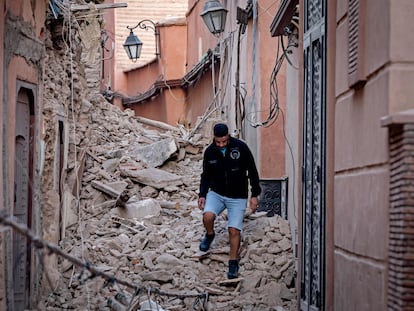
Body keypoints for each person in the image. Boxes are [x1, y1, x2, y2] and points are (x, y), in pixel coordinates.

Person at [198, 123, 261, 279]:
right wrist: (202, 194)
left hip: (238, 196)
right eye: (218, 142)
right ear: (214, 138)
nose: (221, 145)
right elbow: (205, 175)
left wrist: (254, 194)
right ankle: (210, 234)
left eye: (224, 141)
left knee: (234, 230)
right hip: (217, 193)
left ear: (228, 136)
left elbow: (252, 171)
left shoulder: (241, 148)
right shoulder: (210, 152)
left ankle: (233, 262)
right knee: (207, 216)